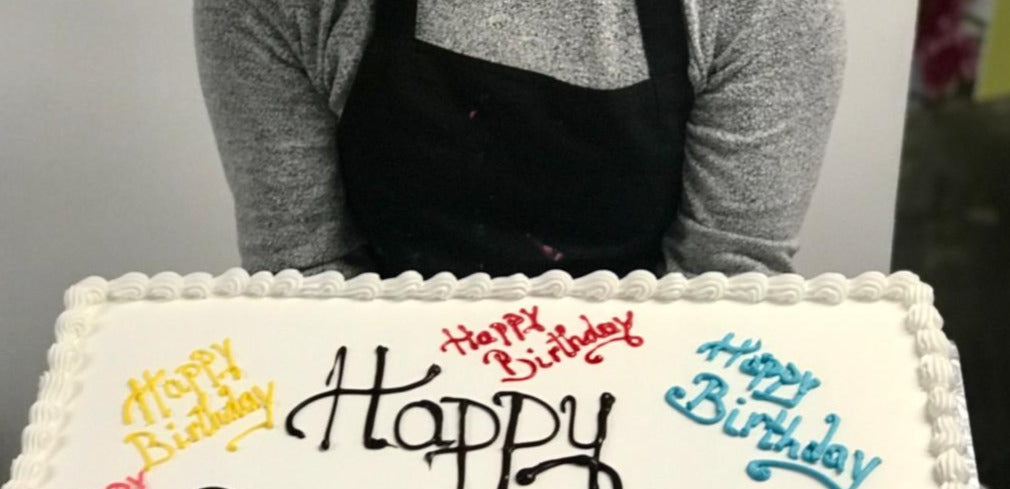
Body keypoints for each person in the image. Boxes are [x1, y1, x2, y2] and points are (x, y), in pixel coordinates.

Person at [195, 0, 846, 278]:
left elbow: (727, 285)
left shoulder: (767, 8)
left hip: (646, 418)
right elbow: (303, 278)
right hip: (379, 414)